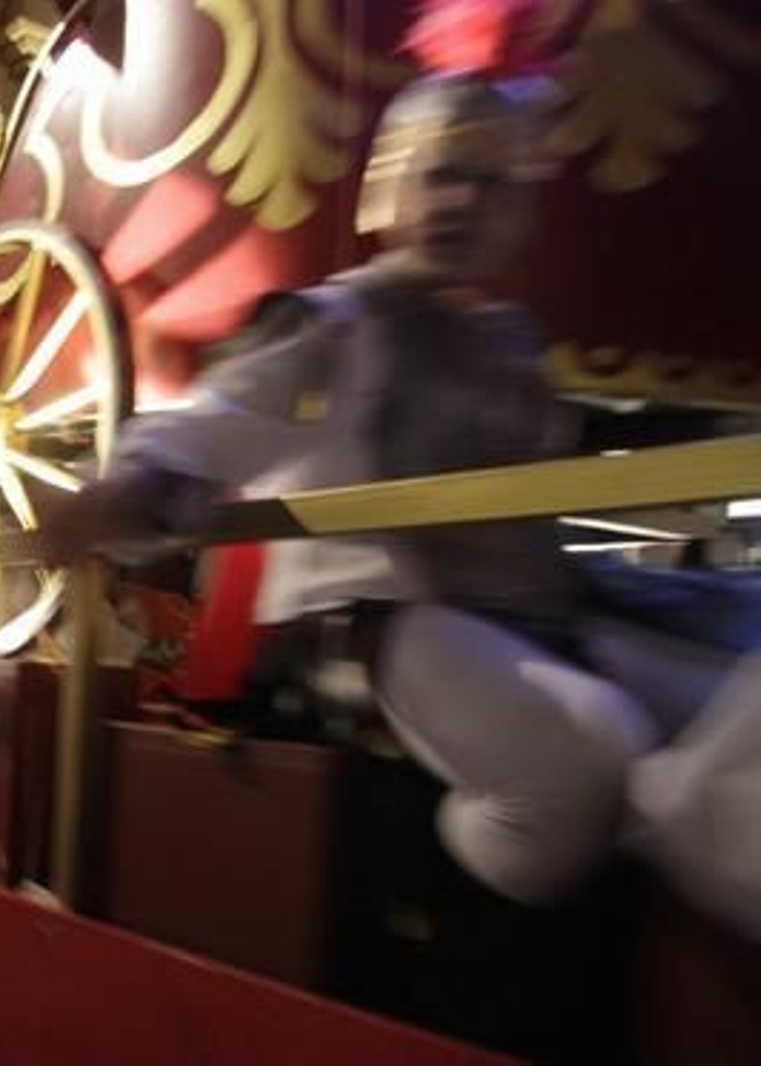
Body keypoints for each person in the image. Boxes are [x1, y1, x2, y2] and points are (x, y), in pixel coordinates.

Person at [42, 54, 754, 927]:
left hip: (542, 610)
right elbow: (219, 423)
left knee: (736, 680)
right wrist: (131, 487)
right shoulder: (332, 323)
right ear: (395, 184)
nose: (463, 201)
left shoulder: (511, 342)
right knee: (589, 756)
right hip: (385, 623)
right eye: (445, 173)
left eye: (491, 183)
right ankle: (499, 863)